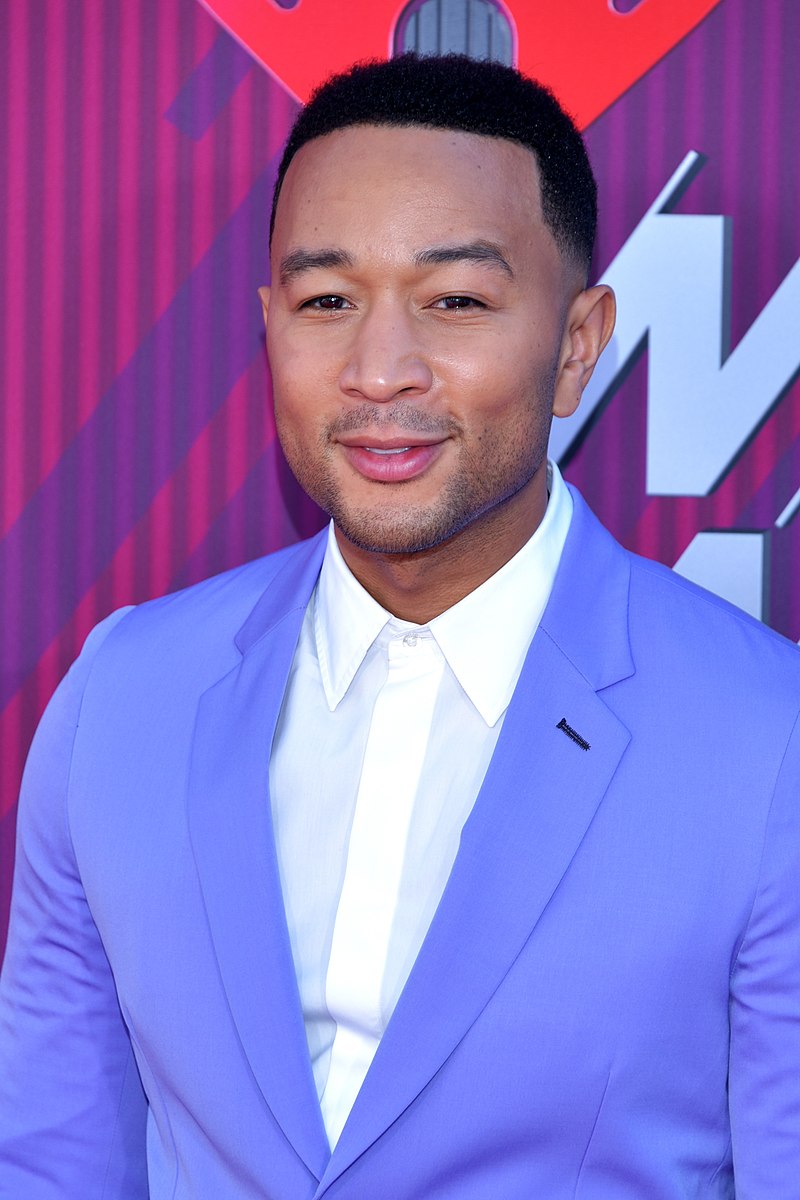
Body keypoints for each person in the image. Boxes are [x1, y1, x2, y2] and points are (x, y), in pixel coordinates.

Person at [1, 51, 799, 1200]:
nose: (380, 372)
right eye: (327, 302)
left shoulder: (764, 737)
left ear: (576, 343)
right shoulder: (125, 692)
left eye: (454, 301)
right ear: (268, 327)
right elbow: (50, 1159)